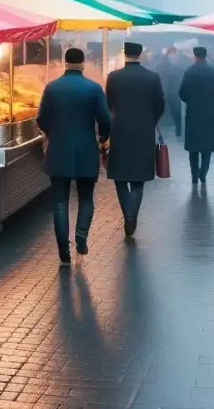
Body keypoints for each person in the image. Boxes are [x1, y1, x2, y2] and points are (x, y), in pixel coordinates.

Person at [37, 48, 111, 263]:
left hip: (58, 150)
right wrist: (103, 138)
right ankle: (81, 236)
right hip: (87, 150)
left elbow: (41, 119)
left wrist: (52, 133)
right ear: (83, 63)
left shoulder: (52, 88)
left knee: (60, 202)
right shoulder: (94, 89)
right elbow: (105, 120)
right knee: (86, 198)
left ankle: (63, 251)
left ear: (64, 62)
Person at [106, 42, 165, 237]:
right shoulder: (152, 78)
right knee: (139, 180)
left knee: (120, 178)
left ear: (125, 54)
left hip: (120, 130)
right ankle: (132, 216)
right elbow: (160, 106)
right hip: (144, 132)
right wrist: (150, 121)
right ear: (141, 54)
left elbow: (108, 105)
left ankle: (128, 216)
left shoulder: (114, 77)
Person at [179, 46, 214, 186]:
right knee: (206, 146)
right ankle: (203, 172)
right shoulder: (213, 72)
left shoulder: (189, 72)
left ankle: (194, 175)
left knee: (193, 147)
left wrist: (191, 101)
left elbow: (182, 93)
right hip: (209, 113)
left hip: (193, 113)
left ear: (195, 55)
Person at [155, 46, 183, 137]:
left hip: (176, 92)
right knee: (173, 112)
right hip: (170, 92)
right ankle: (177, 129)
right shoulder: (163, 66)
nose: (173, 56)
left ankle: (179, 129)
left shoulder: (181, 65)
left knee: (177, 112)